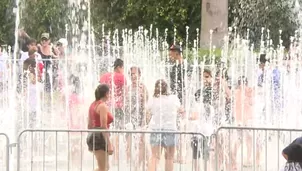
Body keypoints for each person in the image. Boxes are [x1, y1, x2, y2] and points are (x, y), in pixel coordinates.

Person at [147, 79, 181, 171]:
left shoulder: (153, 99)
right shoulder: (174, 98)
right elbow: (181, 110)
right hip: (170, 130)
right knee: (169, 158)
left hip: (156, 130)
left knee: (154, 157)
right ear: (167, 88)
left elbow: (147, 113)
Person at [99, 58, 127, 164]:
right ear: (119, 67)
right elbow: (125, 93)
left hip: (105, 107)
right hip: (118, 107)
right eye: (123, 68)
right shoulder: (122, 77)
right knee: (116, 132)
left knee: (106, 132)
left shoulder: (104, 76)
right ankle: (115, 158)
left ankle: (105, 157)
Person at [168, 44, 191, 163]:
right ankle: (178, 153)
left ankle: (183, 154)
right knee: (176, 126)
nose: (169, 54)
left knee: (183, 126)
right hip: (175, 101)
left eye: (171, 52)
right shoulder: (173, 67)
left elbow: (189, 85)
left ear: (177, 52)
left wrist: (186, 103)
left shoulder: (186, 66)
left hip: (184, 101)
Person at [125, 66, 149, 169]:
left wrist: (144, 120)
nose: (133, 76)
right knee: (131, 142)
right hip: (131, 119)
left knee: (141, 141)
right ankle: (133, 163)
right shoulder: (128, 88)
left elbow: (146, 105)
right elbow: (125, 105)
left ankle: (141, 164)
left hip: (140, 118)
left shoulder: (142, 87)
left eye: (135, 73)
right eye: (131, 74)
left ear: (139, 75)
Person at [87, 84, 114, 171]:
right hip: (100, 137)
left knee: (105, 167)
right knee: (103, 168)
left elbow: (89, 125)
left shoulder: (92, 105)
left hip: (93, 135)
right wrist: (109, 144)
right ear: (106, 93)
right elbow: (103, 126)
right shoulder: (102, 106)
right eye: (109, 93)